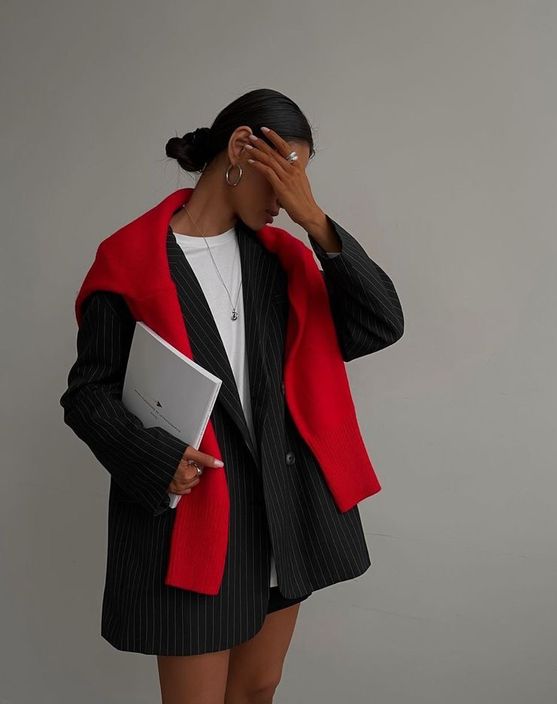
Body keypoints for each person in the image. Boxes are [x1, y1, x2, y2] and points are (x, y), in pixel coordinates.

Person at [59, 87, 404, 704]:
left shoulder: (283, 260)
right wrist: (156, 460)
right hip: (193, 515)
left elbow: (380, 323)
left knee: (257, 688)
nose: (285, 200)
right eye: (284, 179)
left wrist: (314, 219)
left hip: (282, 507)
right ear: (241, 149)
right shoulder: (132, 259)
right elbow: (88, 394)